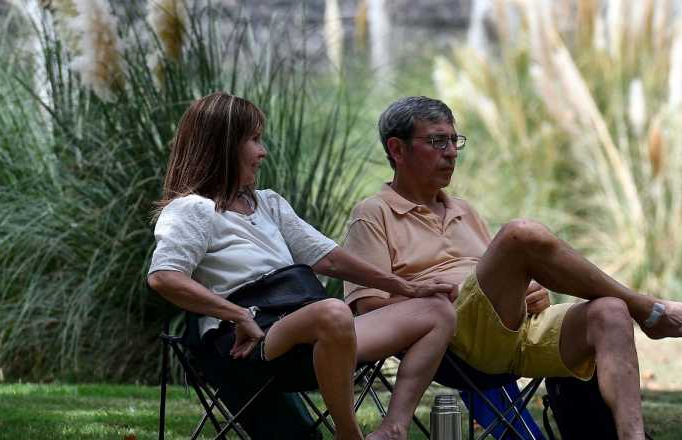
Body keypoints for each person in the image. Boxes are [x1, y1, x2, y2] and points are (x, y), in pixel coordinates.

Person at [342, 96, 682, 440]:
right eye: (436, 141)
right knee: (520, 234)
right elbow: (367, 311)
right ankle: (650, 309)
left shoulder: (464, 210)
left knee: (609, 312)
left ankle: (632, 434)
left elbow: (491, 278)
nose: (451, 152)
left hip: (515, 331)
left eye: (454, 141)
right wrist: (434, 293)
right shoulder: (372, 215)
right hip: (451, 339)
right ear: (397, 149)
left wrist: (524, 291)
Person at [147, 92, 457, 440]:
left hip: (313, 329)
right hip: (252, 338)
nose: (262, 151)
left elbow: (330, 259)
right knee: (333, 313)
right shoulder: (192, 209)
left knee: (436, 311)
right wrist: (237, 315)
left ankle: (393, 428)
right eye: (253, 140)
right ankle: (348, 435)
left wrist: (407, 288)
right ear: (223, 144)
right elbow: (164, 277)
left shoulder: (268, 204)